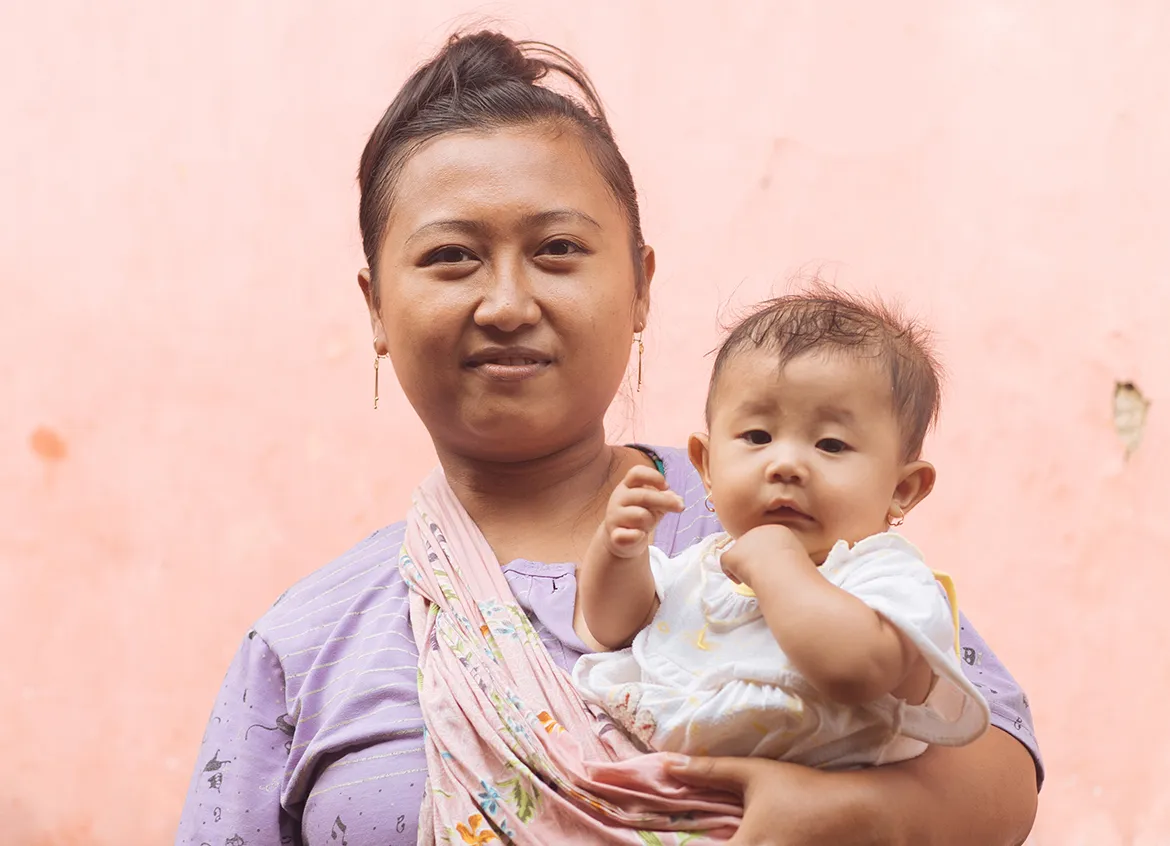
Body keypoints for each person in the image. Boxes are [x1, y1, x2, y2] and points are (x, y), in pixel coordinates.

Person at [177, 30, 1041, 846]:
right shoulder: (306, 645)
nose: (508, 304)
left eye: (557, 248)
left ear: (640, 287)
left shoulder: (792, 528)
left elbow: (1001, 784)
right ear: (375, 306)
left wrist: (844, 811)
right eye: (450, 257)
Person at [573, 292, 989, 768]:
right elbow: (613, 628)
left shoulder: (886, 579)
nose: (786, 464)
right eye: (758, 437)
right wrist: (618, 550)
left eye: (831, 444)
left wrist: (775, 561)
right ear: (706, 465)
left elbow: (856, 671)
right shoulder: (700, 568)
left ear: (903, 488)